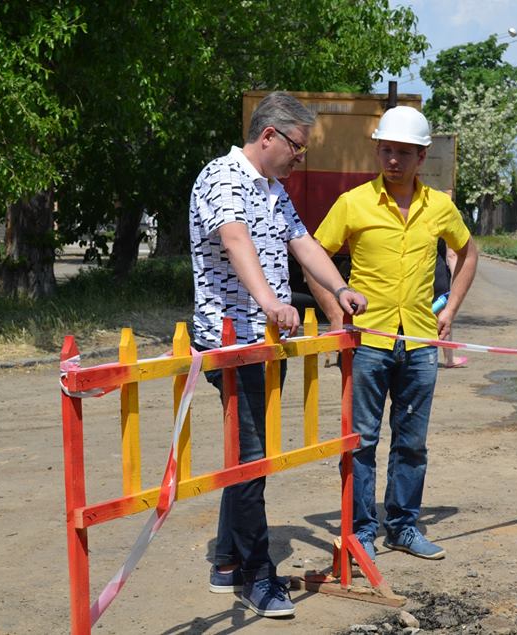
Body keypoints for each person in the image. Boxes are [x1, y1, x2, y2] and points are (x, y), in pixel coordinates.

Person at [189, 92, 367, 618]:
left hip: (267, 343)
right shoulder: (221, 177)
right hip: (231, 343)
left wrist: (338, 289)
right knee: (250, 459)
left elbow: (304, 243)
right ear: (268, 137)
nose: (300, 156)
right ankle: (254, 575)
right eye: (296, 146)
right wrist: (269, 299)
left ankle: (225, 562)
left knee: (251, 455)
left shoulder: (273, 189)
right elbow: (235, 237)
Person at [306, 106, 478, 563]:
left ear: (422, 156)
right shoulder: (354, 203)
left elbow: (468, 251)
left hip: (420, 342)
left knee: (411, 443)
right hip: (367, 343)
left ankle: (403, 526)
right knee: (361, 441)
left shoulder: (439, 207)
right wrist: (334, 313)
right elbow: (314, 258)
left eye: (404, 152)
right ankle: (361, 532)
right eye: (387, 151)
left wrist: (453, 308)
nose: (394, 160)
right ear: (377, 151)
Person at [434, 239, 467, 368]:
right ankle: (449, 359)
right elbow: (452, 255)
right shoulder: (442, 219)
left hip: (415, 274)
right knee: (444, 314)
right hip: (437, 272)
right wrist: (456, 282)